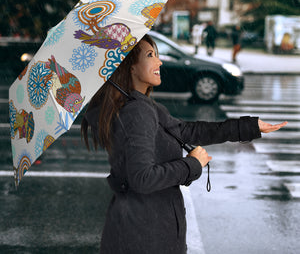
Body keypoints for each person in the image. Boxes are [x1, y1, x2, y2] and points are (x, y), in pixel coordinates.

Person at [81, 34, 287, 254]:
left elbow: (187, 131)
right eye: (150, 55)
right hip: (145, 236)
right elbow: (142, 179)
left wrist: (249, 127)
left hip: (144, 230)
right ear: (130, 67)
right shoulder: (137, 112)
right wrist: (192, 164)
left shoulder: (142, 107)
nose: (159, 62)